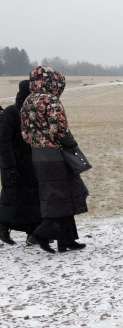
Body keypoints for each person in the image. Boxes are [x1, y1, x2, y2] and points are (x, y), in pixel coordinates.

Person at [20, 66, 89, 253]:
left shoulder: (28, 101)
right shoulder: (51, 100)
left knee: (57, 198)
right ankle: (41, 235)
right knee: (67, 195)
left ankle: (67, 240)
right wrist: (72, 144)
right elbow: (61, 130)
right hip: (56, 156)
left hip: (37, 155)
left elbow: (25, 134)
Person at [0, 80, 41, 244]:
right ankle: (2, 228)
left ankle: (32, 232)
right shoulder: (12, 112)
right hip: (13, 164)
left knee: (31, 198)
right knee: (12, 198)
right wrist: (9, 165)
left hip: (30, 163)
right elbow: (3, 141)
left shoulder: (33, 112)